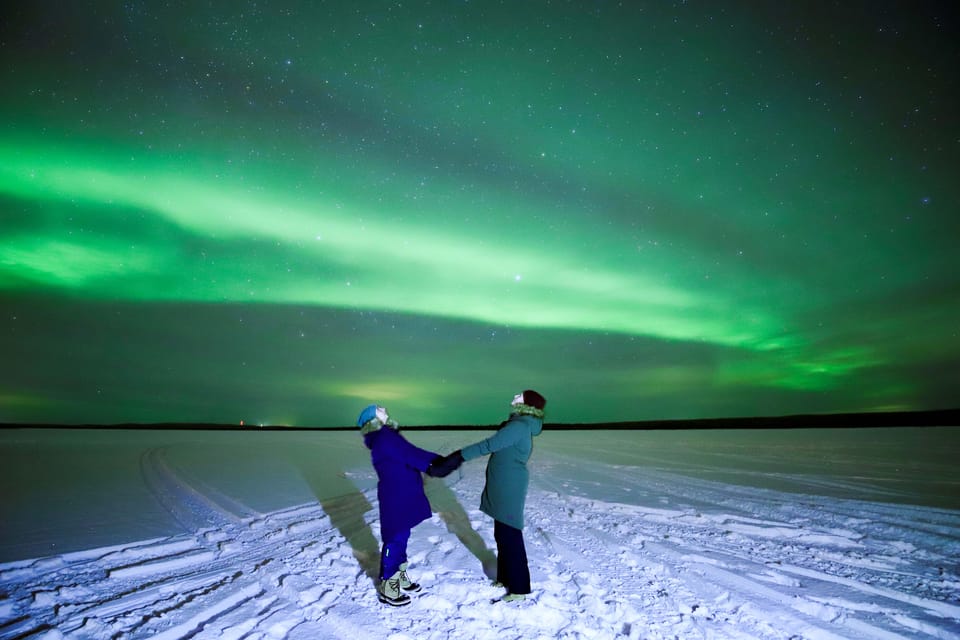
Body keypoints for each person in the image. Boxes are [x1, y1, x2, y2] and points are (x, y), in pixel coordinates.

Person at [427, 389, 546, 602]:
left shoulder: (519, 426)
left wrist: (457, 457)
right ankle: (505, 577)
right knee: (502, 533)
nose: (512, 400)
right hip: (503, 483)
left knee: (510, 535)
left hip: (509, 485)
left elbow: (489, 445)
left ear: (526, 405)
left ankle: (519, 588)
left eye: (517, 398)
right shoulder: (519, 424)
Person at [357, 403, 439, 607]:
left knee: (402, 536)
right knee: (394, 538)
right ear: (372, 418)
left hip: (403, 493)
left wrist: (435, 462)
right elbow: (411, 454)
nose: (384, 408)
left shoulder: (386, 435)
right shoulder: (384, 437)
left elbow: (408, 454)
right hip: (395, 495)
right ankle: (388, 585)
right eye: (378, 409)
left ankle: (399, 574)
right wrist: (439, 463)